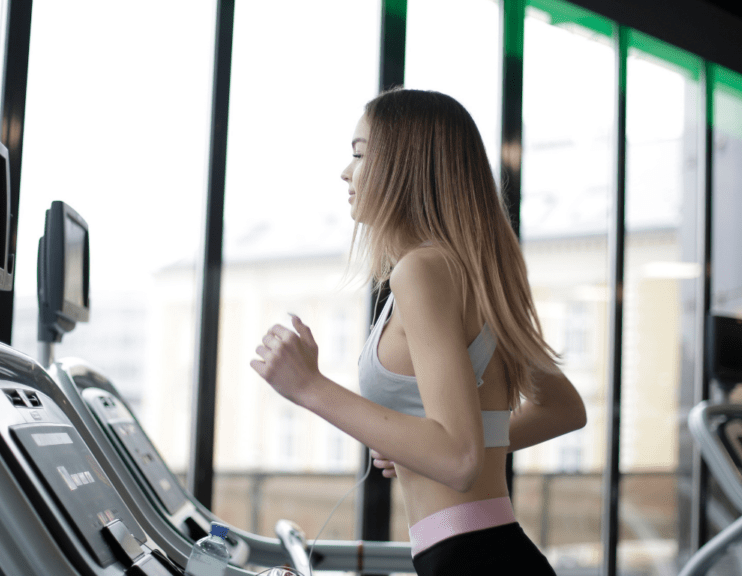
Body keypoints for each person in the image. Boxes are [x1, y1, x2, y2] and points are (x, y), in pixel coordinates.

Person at [250, 88, 587, 575]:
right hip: (488, 551)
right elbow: (563, 409)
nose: (346, 172)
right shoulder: (474, 273)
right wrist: (419, 450)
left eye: (360, 153)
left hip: (469, 557)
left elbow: (459, 457)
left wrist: (309, 387)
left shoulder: (421, 272)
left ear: (406, 165)